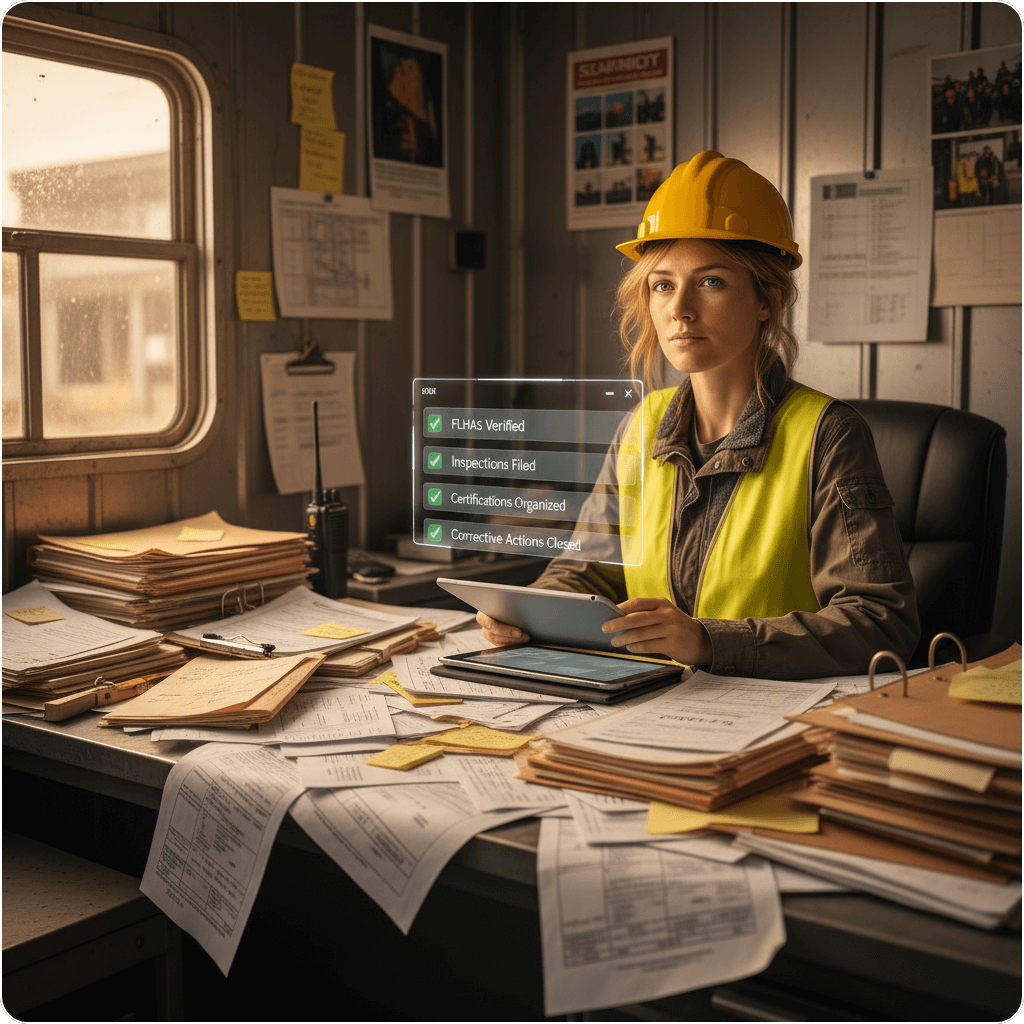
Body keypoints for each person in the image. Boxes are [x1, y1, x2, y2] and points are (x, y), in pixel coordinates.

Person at [478, 151, 919, 679]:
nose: (679, 308)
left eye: (710, 281)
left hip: (773, 719)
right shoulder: (641, 424)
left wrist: (709, 641)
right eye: (663, 284)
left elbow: (879, 622)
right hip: (647, 702)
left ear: (766, 300)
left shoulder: (829, 436)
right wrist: (525, 611)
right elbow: (583, 573)